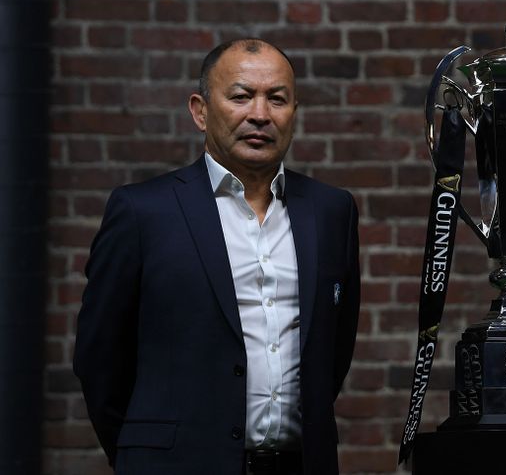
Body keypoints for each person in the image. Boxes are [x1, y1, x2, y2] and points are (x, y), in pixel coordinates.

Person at [74, 38, 360, 475]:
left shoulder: (330, 211)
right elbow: (99, 358)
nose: (260, 115)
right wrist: (145, 453)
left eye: (277, 99)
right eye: (241, 97)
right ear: (200, 110)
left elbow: (333, 353)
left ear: (294, 112)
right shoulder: (142, 212)